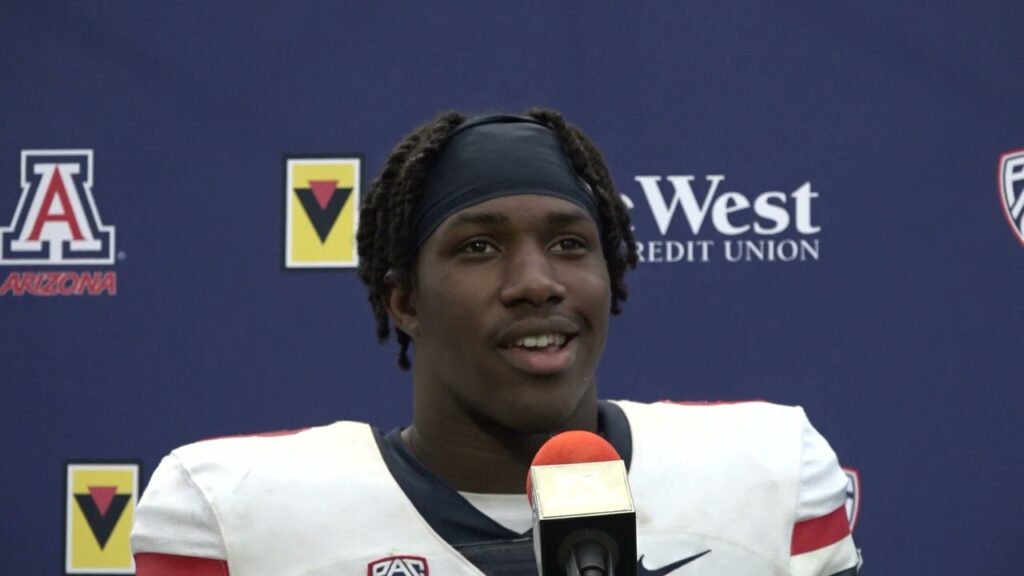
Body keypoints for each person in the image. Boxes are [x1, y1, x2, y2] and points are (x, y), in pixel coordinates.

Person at [131, 109, 861, 576]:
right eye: (479, 247)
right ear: (405, 300)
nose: (536, 282)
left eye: (570, 244)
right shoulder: (233, 513)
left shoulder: (769, 474)